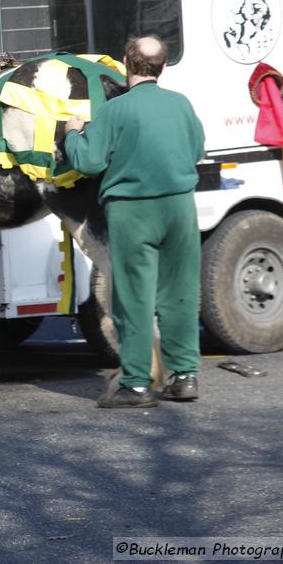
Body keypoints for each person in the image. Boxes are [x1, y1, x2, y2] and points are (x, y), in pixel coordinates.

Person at [64, 36, 206, 408]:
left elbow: (88, 162)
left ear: (127, 64)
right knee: (179, 294)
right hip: (180, 208)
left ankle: (137, 384)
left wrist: (72, 134)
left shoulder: (115, 111)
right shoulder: (181, 105)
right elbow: (197, 151)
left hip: (132, 211)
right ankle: (184, 377)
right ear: (162, 67)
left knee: (134, 298)